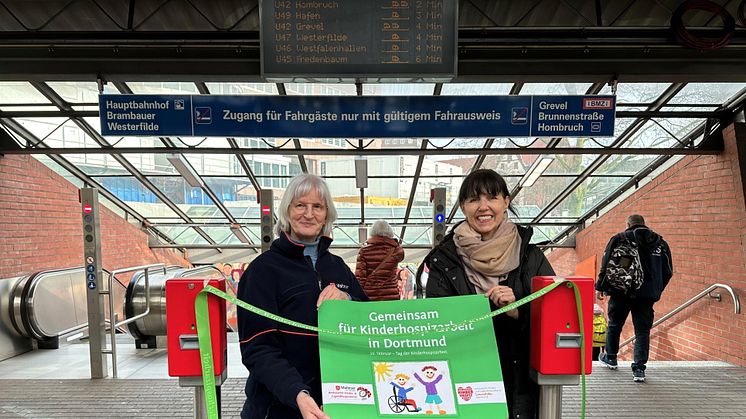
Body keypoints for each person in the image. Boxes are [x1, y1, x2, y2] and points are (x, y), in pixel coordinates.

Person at [417, 169, 555, 419]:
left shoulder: (530, 256)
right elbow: (434, 321)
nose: (483, 207)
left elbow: (555, 318)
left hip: (519, 381)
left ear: (506, 202)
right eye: (473, 200)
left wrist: (518, 311)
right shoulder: (443, 260)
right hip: (463, 379)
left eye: (491, 197)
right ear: (462, 206)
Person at [237, 173, 368, 419]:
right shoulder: (263, 270)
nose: (308, 214)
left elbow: (367, 323)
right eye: (300, 205)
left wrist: (348, 300)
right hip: (278, 407)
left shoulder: (338, 267)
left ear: (327, 214)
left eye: (317, 206)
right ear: (287, 211)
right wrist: (297, 393)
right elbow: (258, 347)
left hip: (334, 404)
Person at [596, 214, 673, 383]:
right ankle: (638, 369)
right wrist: (656, 288)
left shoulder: (619, 239)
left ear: (628, 224)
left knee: (615, 324)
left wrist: (600, 287)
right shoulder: (660, 243)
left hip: (621, 291)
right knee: (642, 331)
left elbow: (606, 263)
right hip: (646, 295)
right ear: (644, 224)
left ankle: (611, 357)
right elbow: (668, 271)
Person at [355, 219, 405, 301]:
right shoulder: (397, 250)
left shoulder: (364, 251)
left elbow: (360, 278)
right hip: (391, 295)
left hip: (370, 296)